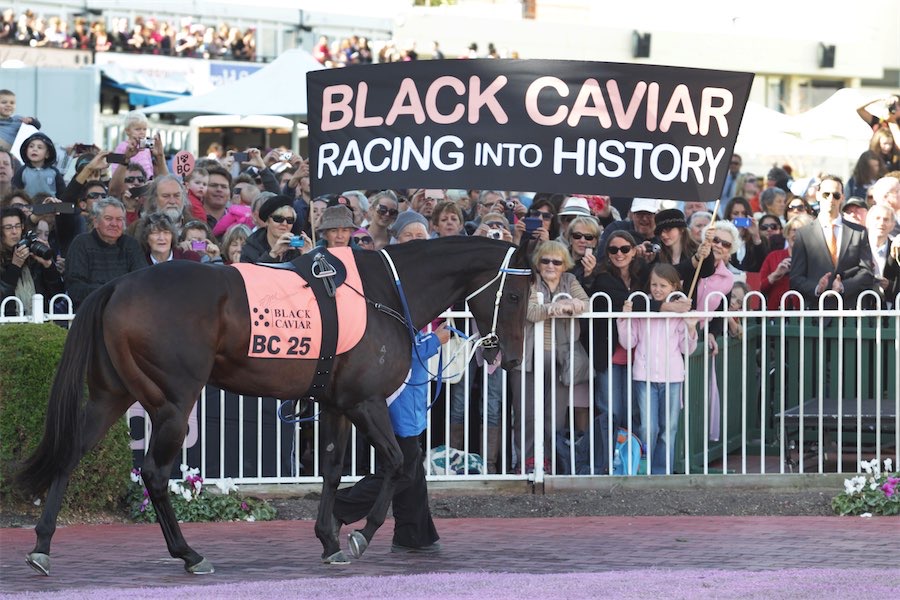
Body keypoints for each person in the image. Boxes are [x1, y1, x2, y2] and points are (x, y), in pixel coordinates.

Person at [332, 322, 451, 554]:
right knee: (401, 474)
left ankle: (414, 534)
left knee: (413, 474)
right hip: (400, 407)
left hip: (409, 406)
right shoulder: (400, 317)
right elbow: (408, 353)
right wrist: (436, 340)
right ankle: (338, 507)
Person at [512, 240, 590, 473]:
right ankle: (525, 462)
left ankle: (549, 460)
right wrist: (553, 308)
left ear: (564, 264)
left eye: (556, 261)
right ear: (538, 262)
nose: (550, 265)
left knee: (554, 415)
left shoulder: (570, 280)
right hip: (528, 356)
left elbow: (585, 304)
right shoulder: (530, 281)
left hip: (561, 357)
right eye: (545, 260)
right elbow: (530, 312)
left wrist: (568, 304)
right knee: (526, 413)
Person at [618, 263, 698, 475]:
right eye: (654, 284)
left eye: (663, 285)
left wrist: (691, 329)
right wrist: (624, 319)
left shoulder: (680, 311)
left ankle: (662, 472)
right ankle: (645, 470)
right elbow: (628, 342)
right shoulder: (642, 305)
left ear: (674, 286)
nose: (657, 289)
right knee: (648, 428)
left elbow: (686, 349)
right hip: (644, 375)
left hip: (672, 376)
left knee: (669, 429)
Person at [789, 175, 875, 309]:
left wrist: (843, 286)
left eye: (835, 195)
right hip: (817, 311)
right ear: (817, 195)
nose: (830, 199)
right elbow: (796, 277)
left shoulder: (859, 232)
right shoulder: (803, 234)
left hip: (851, 310)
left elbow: (867, 271)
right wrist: (817, 288)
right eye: (826, 194)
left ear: (842, 197)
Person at [64, 197, 145, 310]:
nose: (114, 224)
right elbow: (75, 288)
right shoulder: (81, 243)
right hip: (90, 311)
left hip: (126, 311)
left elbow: (142, 282)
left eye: (119, 219)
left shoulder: (131, 245)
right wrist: (111, 292)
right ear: (96, 222)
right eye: (108, 218)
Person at [1, 206, 63, 316]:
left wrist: (48, 265)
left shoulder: (33, 256)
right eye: (8, 227)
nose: (14, 232)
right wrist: (15, 266)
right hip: (7, 327)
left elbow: (57, 296)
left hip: (39, 325)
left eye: (17, 226)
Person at [759, 214, 814, 310]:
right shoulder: (773, 257)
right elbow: (760, 288)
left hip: (804, 315)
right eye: (794, 230)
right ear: (787, 233)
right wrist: (775, 274)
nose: (797, 234)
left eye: (802, 230)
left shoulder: (815, 258)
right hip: (776, 314)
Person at [240, 194, 310, 263]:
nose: (284, 224)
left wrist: (308, 256)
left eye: (290, 220)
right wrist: (272, 255)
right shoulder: (251, 247)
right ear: (267, 221)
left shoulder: (297, 247)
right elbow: (250, 273)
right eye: (278, 219)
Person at [11, 131, 65, 199]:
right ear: (26, 151)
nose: (34, 149)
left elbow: (62, 193)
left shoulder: (54, 172)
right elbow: (14, 192)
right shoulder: (22, 171)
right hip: (29, 207)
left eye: (39, 147)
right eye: (31, 146)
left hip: (51, 207)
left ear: (47, 154)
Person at [865, 204, 900, 308]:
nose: (881, 223)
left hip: (892, 310)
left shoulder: (897, 249)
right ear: (868, 222)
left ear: (893, 225)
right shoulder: (858, 247)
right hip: (863, 308)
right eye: (877, 218)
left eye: (886, 219)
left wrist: (889, 285)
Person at [109, 110, 154, 177]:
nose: (142, 132)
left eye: (144, 129)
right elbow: (114, 169)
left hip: (147, 183)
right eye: (138, 129)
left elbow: (150, 166)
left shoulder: (146, 147)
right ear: (127, 131)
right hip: (130, 182)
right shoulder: (121, 147)